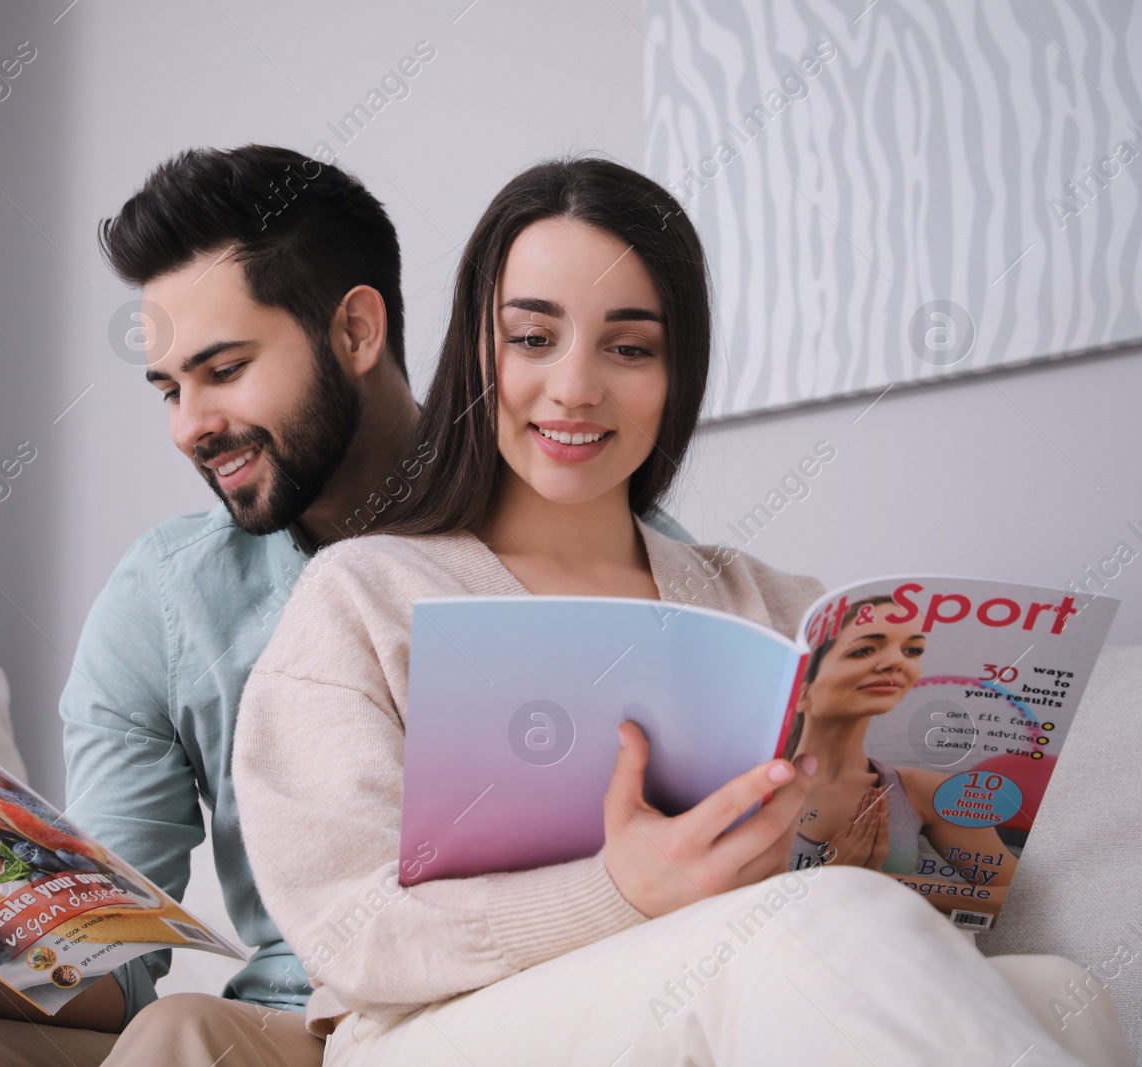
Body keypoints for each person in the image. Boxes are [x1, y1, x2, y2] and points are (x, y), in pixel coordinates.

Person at [0, 146, 696, 1067]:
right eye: (171, 388)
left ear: (355, 331)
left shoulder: (586, 534)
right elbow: (108, 969)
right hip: (276, 1025)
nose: (189, 425)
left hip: (478, 1016)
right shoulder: (167, 597)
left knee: (185, 1035)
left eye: (223, 370)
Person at [231, 156, 1131, 1066]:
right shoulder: (366, 595)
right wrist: (619, 889)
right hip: (438, 1028)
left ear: (677, 372)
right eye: (533, 338)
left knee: (1061, 992)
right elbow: (350, 927)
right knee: (813, 924)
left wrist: (879, 843)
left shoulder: (775, 605)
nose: (576, 387)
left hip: (740, 970)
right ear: (477, 351)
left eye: (630, 347)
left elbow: (914, 912)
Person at [785, 596, 1021, 895]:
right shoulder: (753, 787)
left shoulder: (928, 792)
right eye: (864, 650)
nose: (898, 661)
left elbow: (1014, 896)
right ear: (802, 689)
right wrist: (830, 882)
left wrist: (884, 885)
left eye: (912, 650)